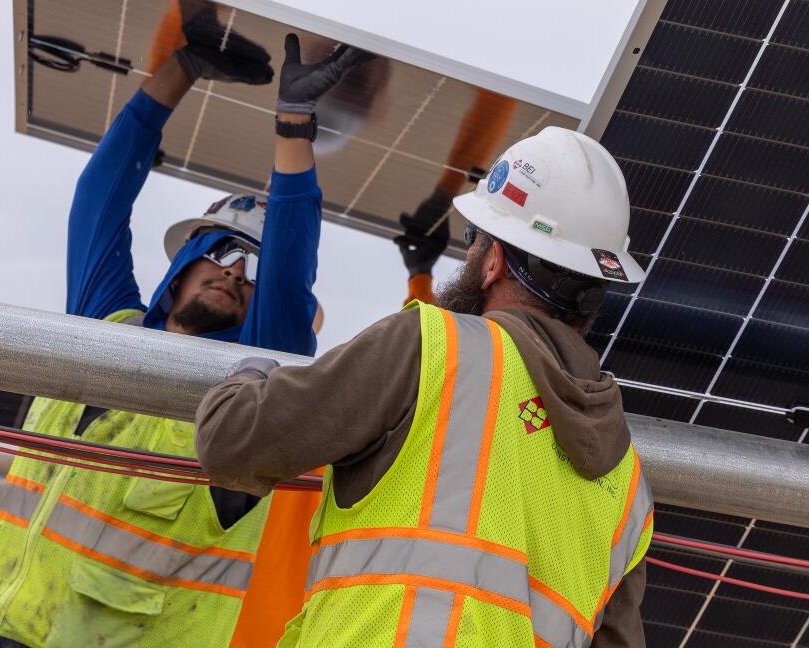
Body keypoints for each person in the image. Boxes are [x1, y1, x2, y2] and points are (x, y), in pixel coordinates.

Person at [0, 3, 368, 648]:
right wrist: (182, 70)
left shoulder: (254, 395)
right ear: (182, 264)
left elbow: (289, 266)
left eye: (252, 267)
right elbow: (98, 200)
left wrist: (293, 128)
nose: (236, 272)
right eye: (223, 252)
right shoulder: (107, 327)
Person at [195, 126, 655, 647]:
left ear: (494, 262)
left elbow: (231, 441)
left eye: (475, 240)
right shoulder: (629, 486)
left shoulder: (433, 346)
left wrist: (251, 372)